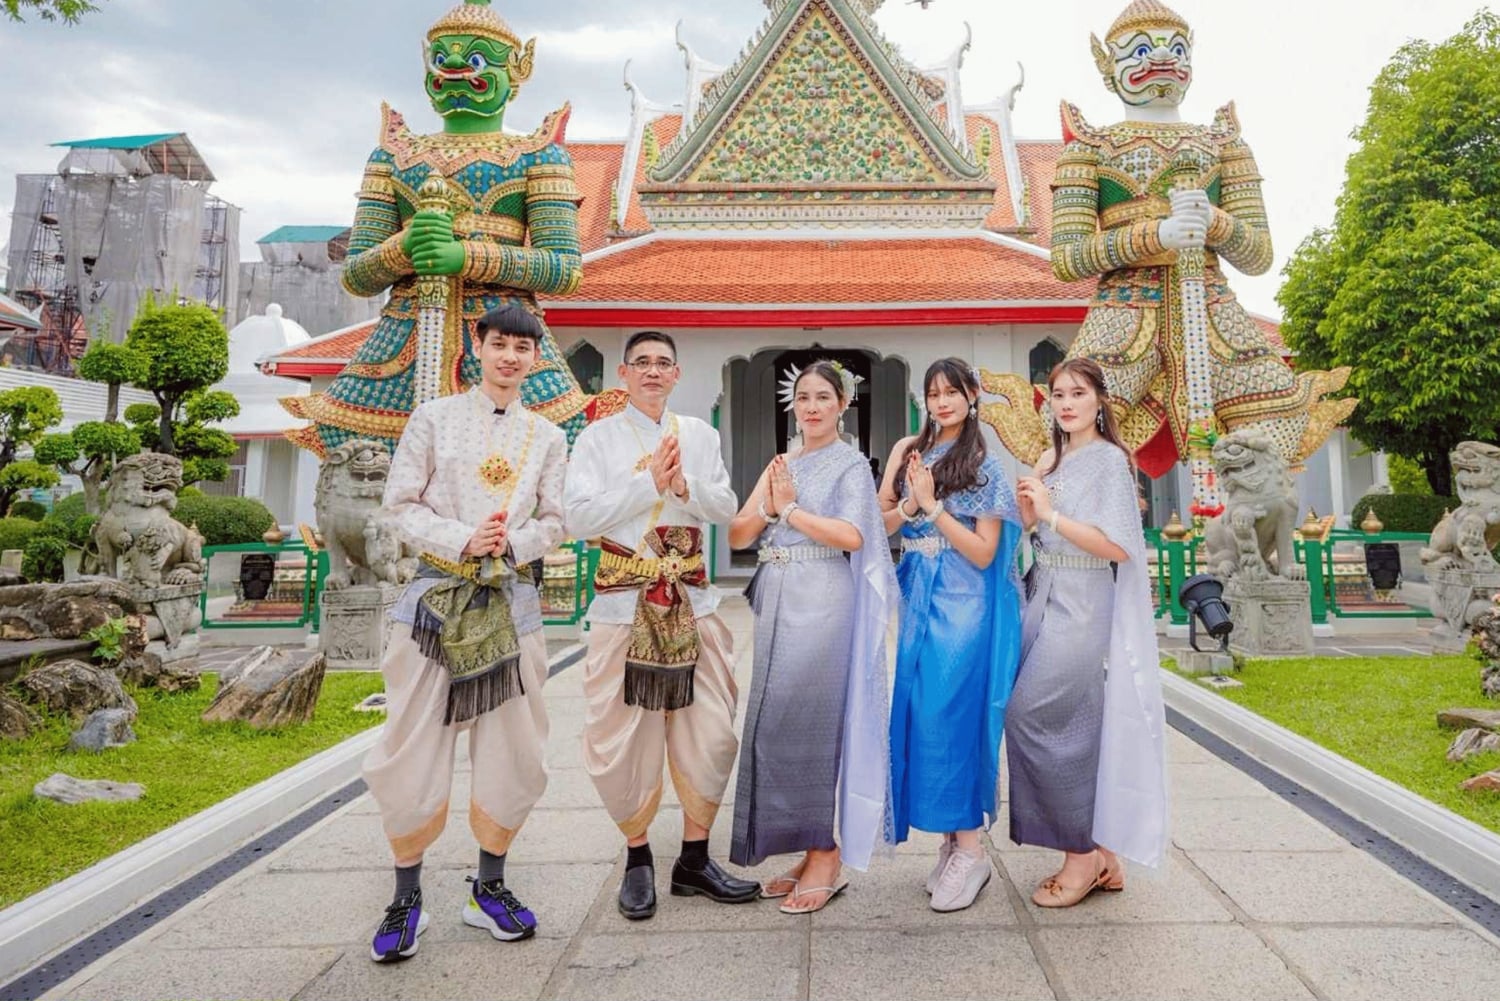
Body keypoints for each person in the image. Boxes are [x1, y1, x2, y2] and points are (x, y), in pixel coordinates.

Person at [364, 304, 568, 963]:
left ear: (536, 358)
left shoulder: (549, 437)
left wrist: (509, 542)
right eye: (499, 343)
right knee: (411, 742)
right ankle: (405, 893)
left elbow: (557, 521)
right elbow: (398, 505)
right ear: (478, 345)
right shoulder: (434, 418)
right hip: (435, 597)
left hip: (511, 596)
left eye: (523, 347)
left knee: (517, 747)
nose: (510, 356)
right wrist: (462, 539)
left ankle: (489, 884)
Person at [563, 331, 759, 920]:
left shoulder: (698, 434)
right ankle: (638, 857)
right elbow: (577, 517)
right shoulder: (596, 439)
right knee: (624, 737)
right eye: (642, 363)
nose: (652, 372)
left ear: (677, 375)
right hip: (625, 606)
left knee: (713, 732)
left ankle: (694, 858)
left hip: (694, 604)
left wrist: (683, 487)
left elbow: (727, 506)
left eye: (663, 364)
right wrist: (645, 483)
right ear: (623, 373)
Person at [727, 361, 896, 915]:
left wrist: (790, 509)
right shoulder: (784, 461)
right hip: (778, 595)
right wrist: (770, 504)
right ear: (792, 404)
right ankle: (807, 844)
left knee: (814, 721)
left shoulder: (849, 464)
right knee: (777, 721)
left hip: (823, 597)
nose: (813, 407)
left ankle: (827, 851)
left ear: (843, 403)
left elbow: (852, 535)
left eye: (824, 397)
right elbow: (738, 529)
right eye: (804, 397)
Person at [1007, 356, 1168, 907]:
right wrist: (1032, 516)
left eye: (1077, 393)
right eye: (1058, 395)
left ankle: (1081, 855)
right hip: (1043, 596)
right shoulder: (1053, 459)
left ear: (1100, 400)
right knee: (1072, 724)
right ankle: (1102, 855)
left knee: (1029, 715)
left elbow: (1120, 546)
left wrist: (1051, 517)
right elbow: (1036, 529)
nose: (1067, 403)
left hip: (1083, 601)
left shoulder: (1107, 461)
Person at [880, 358, 1024, 913]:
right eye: (933, 393)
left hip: (965, 604)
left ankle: (972, 847)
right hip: (919, 599)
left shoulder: (985, 467)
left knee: (952, 714)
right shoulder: (907, 452)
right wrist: (912, 501)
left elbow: (985, 552)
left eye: (952, 392)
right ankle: (948, 841)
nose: (942, 402)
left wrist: (933, 507)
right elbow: (882, 523)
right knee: (919, 715)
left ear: (972, 396)